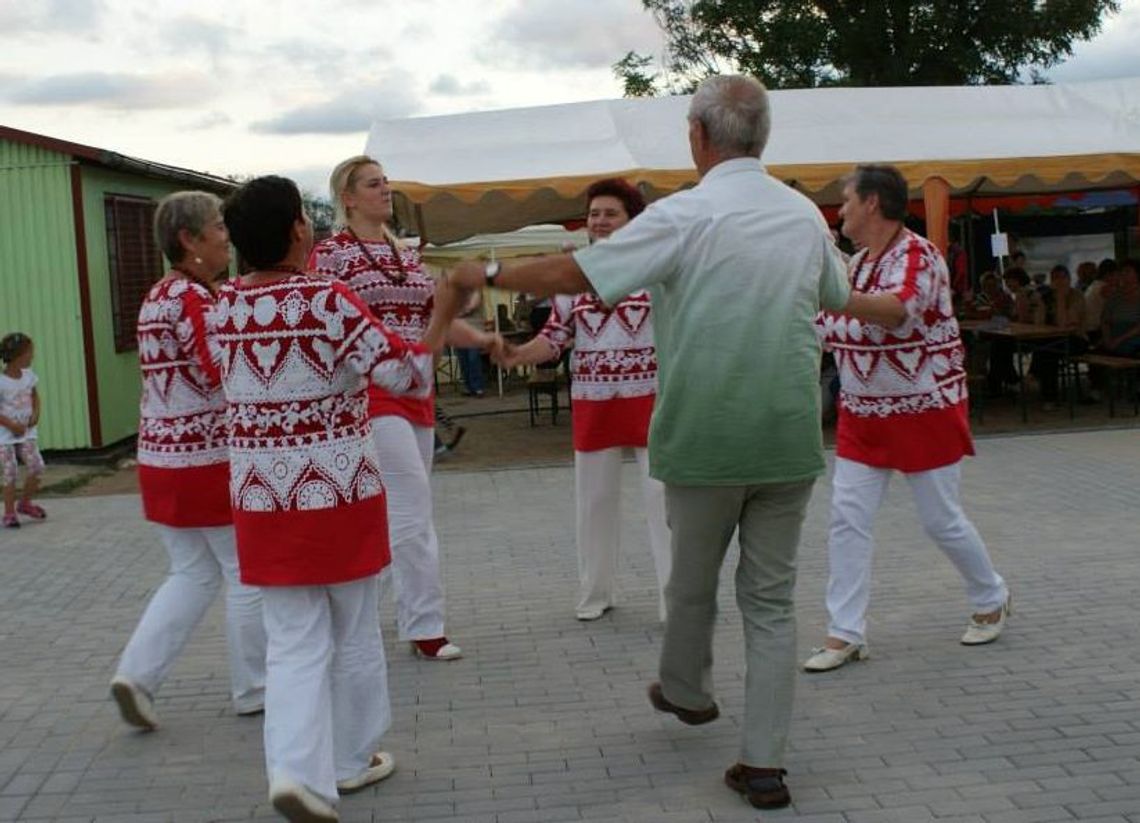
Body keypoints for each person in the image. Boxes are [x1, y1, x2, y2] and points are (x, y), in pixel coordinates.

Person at [451, 74, 861, 810]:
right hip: (788, 435)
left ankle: (687, 688)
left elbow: (580, 270)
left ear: (699, 136)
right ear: (761, 137)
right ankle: (763, 763)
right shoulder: (803, 215)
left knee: (692, 581)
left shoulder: (685, 215)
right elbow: (835, 295)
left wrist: (487, 271)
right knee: (770, 601)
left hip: (704, 434)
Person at [217, 175, 467, 821]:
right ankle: (351, 761)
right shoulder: (327, 299)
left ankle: (295, 772)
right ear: (300, 229)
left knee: (292, 638)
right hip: (336, 489)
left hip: (260, 495)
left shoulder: (220, 310)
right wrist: (441, 312)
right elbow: (405, 372)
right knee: (353, 628)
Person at [805, 164, 1010, 677]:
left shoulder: (919, 256)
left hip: (924, 408)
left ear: (872, 203)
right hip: (863, 411)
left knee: (940, 518)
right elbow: (823, 329)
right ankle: (845, 632)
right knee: (847, 518)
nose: (841, 209)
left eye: (847, 200)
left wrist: (826, 294)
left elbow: (898, 311)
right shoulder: (855, 265)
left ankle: (992, 595)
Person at [310, 156, 500, 661]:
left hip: (416, 390)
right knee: (412, 508)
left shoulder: (403, 253)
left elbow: (430, 320)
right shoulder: (331, 256)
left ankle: (356, 614)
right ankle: (425, 626)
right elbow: (322, 324)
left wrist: (482, 339)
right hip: (370, 390)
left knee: (399, 510)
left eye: (386, 183)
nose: (385, 191)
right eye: (374, 185)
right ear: (348, 197)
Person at [110, 191, 267, 731]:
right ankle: (255, 687)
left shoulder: (157, 296)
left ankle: (137, 674)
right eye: (218, 226)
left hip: (160, 458)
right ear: (189, 240)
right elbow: (219, 368)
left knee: (191, 573)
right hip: (207, 459)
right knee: (244, 572)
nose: (227, 236)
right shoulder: (195, 300)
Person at [497, 177, 670, 622]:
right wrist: (517, 354)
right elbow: (555, 336)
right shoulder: (572, 279)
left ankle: (678, 601)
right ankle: (595, 594)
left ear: (633, 220)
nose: (600, 221)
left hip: (654, 400)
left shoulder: (658, 270)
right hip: (594, 401)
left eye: (611, 213)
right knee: (593, 503)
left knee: (664, 503)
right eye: (594, 214)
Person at [0, 333, 46, 528]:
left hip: (26, 433)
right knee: (10, 472)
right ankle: (9, 513)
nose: (32, 356)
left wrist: (36, 414)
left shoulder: (29, 376)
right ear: (17, 356)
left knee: (36, 466)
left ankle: (25, 503)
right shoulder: (1, 382)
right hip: (5, 436)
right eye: (29, 353)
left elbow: (35, 396)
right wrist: (11, 425)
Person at [1029, 265, 1087, 410]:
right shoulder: (1047, 297)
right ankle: (1048, 395)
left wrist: (1061, 299)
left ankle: (1036, 378)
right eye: (1056, 278)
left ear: (1069, 279)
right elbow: (1039, 324)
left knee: (1046, 349)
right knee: (1047, 349)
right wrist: (1041, 304)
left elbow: (1064, 325)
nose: (1060, 282)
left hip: (1076, 339)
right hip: (1052, 339)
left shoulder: (1077, 297)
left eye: (1063, 278)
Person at [1099, 258, 1140, 357]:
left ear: (1137, 274)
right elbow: (1105, 321)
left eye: (1127, 271)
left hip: (1133, 336)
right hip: (1114, 335)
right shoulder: (1115, 296)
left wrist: (1119, 340)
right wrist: (1107, 339)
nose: (1123, 274)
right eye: (1121, 271)